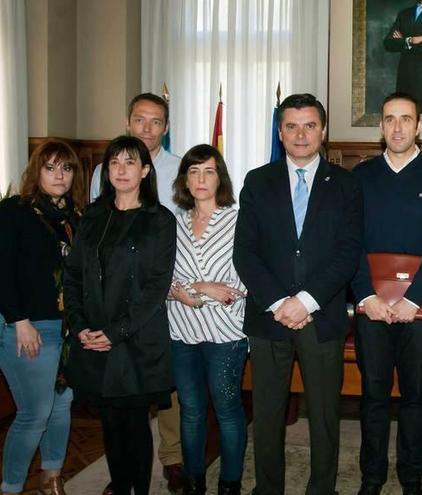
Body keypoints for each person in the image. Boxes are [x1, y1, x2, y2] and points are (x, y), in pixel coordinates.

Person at [233, 93, 363, 495]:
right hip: (268, 317)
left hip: (320, 317)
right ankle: (267, 489)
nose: (300, 134)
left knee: (324, 415)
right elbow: (246, 252)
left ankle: (321, 488)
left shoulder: (345, 184)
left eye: (309, 125)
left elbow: (349, 252)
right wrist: (279, 303)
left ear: (323, 131)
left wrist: (305, 302)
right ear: (280, 132)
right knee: (268, 415)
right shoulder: (258, 180)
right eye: (291, 126)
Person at [351, 92, 422, 495]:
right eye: (390, 119)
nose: (397, 126)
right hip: (371, 307)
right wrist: (366, 296)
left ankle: (411, 477)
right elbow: (350, 241)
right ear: (381, 126)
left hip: (420, 308)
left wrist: (413, 299)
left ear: (419, 126)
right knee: (373, 396)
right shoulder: (361, 175)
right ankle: (372, 477)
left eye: (405, 119)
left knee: (415, 396)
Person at [63, 135, 177, 495]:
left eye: (130, 162)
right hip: (94, 336)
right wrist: (80, 327)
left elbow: (157, 287)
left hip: (138, 338)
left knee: (135, 422)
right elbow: (74, 275)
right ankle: (120, 484)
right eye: (114, 162)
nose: (121, 170)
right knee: (110, 422)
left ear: (145, 170)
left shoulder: (160, 219)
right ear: (106, 170)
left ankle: (139, 488)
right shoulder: (93, 216)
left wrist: (117, 332)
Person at [88, 92, 185, 493]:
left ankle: (172, 457)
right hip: (114, 301)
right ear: (129, 122)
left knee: (163, 387)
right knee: (118, 399)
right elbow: (96, 240)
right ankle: (121, 473)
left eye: (156, 121)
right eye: (140, 120)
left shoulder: (180, 169)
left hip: (171, 290)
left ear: (166, 126)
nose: (147, 128)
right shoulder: (103, 171)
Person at [0, 139, 86, 495]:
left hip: (65, 329)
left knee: (62, 405)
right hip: (27, 327)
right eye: (51, 167)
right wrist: (19, 321)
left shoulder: (74, 217)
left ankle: (51, 478)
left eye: (67, 168)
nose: (59, 175)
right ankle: (10, 488)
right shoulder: (13, 212)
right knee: (34, 413)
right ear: (36, 171)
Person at [167, 144, 248, 495]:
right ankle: (195, 480)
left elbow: (244, 281)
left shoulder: (239, 219)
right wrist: (195, 289)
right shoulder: (173, 221)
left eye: (209, 171)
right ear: (185, 179)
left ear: (221, 177)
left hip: (226, 332)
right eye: (194, 171)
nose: (201, 179)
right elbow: (162, 275)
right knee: (190, 410)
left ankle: (230, 482)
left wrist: (198, 289)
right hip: (181, 331)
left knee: (228, 411)